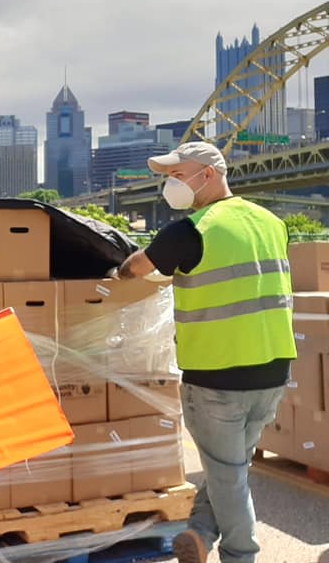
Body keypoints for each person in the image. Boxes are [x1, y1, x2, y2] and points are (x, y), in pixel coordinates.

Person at [116, 141, 296, 563]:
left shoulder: (191, 230)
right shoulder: (271, 222)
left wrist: (118, 269)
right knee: (230, 469)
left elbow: (132, 270)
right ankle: (199, 531)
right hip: (272, 370)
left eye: (179, 175)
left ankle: (241, 554)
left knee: (229, 477)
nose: (171, 185)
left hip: (217, 375)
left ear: (209, 175)